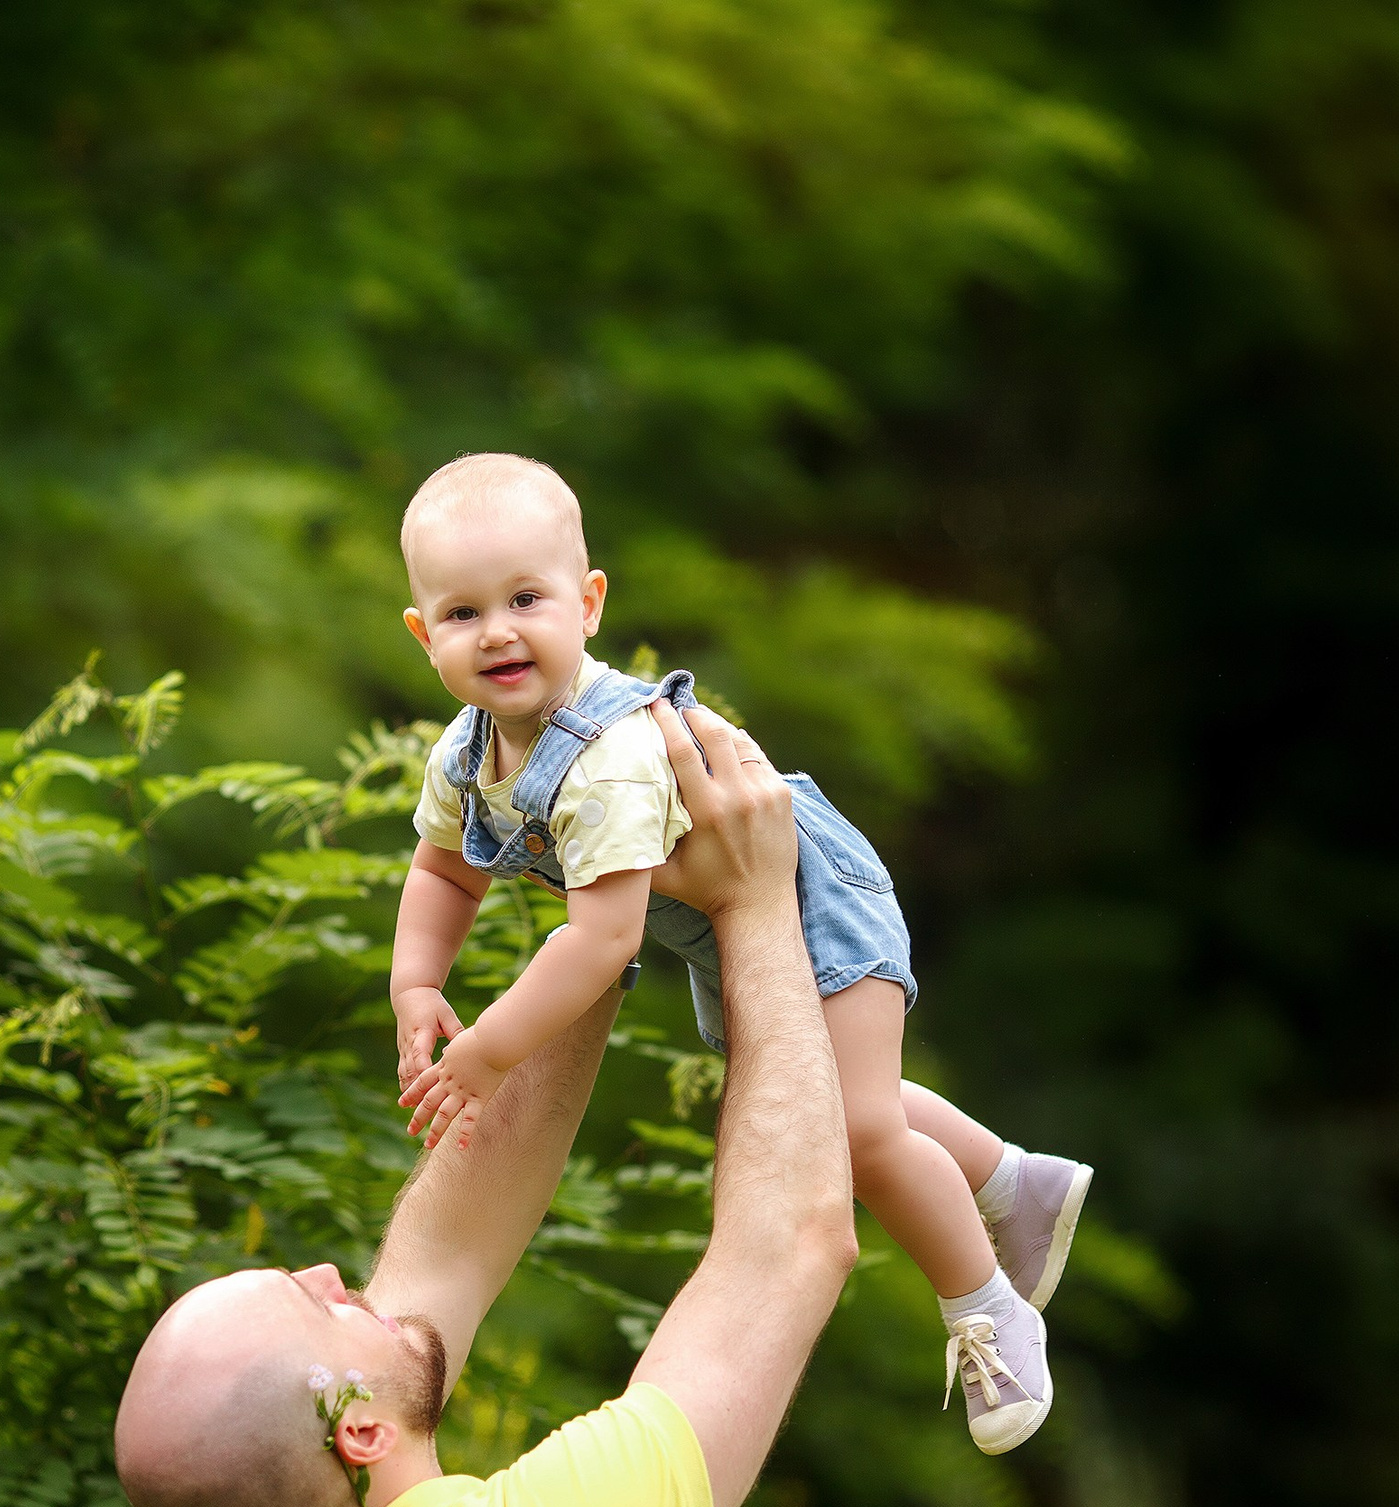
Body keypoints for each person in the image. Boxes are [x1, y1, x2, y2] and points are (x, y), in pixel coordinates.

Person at [116, 699, 854, 1507]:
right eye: (318, 1303)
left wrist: (597, 927)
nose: (340, 1276)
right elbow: (789, 1248)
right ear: (360, 1436)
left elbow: (445, 1255)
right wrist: (757, 901)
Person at [388, 452, 1088, 1452]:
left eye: (526, 599)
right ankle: (1014, 1183)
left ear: (587, 604)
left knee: (847, 1129)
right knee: (853, 1103)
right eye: (462, 614)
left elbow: (601, 941)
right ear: (423, 635)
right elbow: (442, 871)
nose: (496, 630)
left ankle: (989, 1306)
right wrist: (414, 983)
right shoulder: (465, 753)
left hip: (804, 893)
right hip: (722, 922)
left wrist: (490, 1049)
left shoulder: (606, 756)